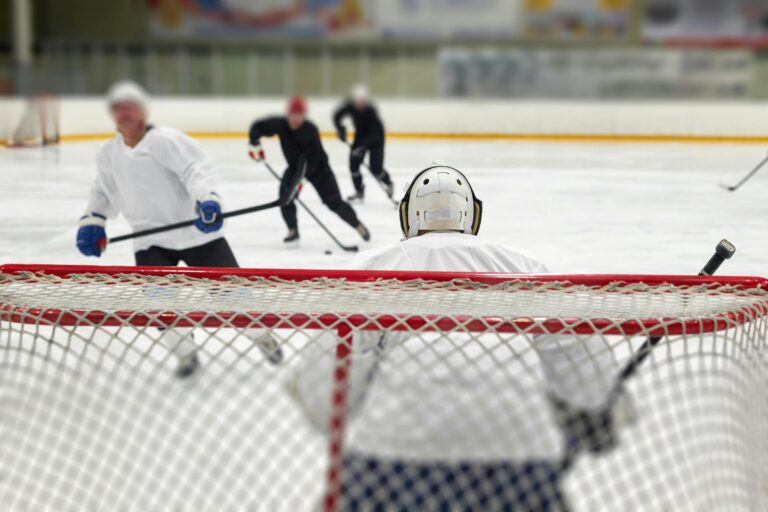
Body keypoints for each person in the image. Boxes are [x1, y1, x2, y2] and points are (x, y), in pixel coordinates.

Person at [292, 164, 626, 511]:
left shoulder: (371, 270)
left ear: (409, 216)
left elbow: (326, 398)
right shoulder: (523, 267)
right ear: (471, 215)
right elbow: (578, 352)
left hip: (394, 454)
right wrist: (592, 410)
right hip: (520, 452)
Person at [76, 80, 282, 378]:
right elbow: (103, 192)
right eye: (118, 109)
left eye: (130, 107)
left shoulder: (166, 141)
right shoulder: (108, 153)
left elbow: (195, 172)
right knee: (162, 307)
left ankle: (262, 337)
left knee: (233, 295)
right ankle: (186, 354)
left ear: (143, 111)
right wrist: (93, 220)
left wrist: (207, 200)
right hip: (150, 241)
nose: (125, 113)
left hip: (197, 234)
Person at [249, 96, 370, 245]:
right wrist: (254, 142)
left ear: (303, 115)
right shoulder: (280, 124)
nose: (295, 118)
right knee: (285, 198)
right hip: (295, 168)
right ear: (288, 114)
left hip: (319, 170)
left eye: (299, 115)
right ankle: (292, 230)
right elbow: (257, 127)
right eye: (293, 114)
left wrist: (297, 184)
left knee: (334, 202)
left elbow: (308, 163)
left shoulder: (310, 131)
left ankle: (358, 225)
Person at [333, 83, 393, 203]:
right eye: (357, 101)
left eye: (362, 101)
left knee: (375, 168)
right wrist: (341, 129)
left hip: (376, 138)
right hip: (360, 137)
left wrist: (361, 148)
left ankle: (389, 183)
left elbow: (374, 134)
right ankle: (359, 191)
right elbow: (337, 116)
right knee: (354, 165)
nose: (359, 104)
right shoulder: (350, 106)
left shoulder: (371, 111)